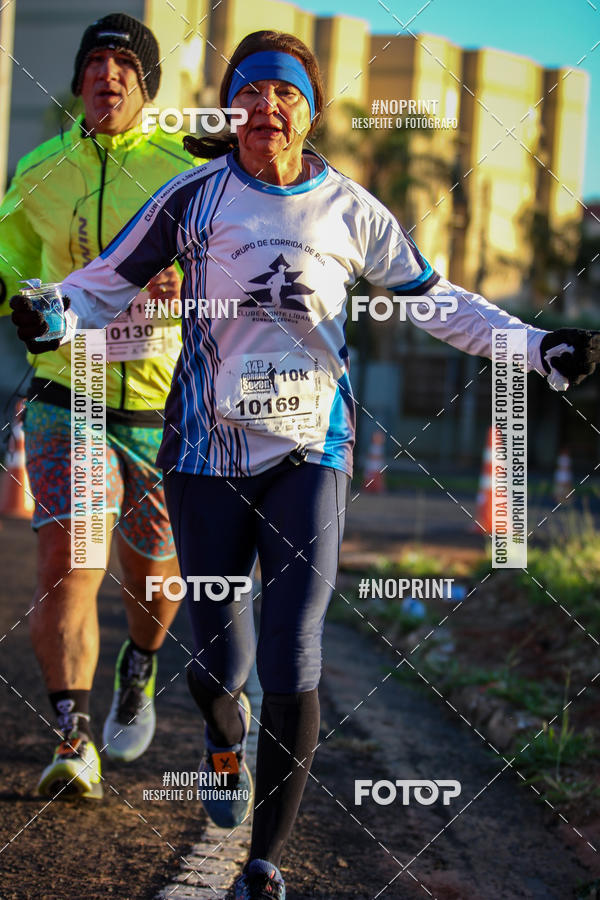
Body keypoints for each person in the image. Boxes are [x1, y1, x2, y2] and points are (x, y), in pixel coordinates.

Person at [10, 29, 600, 898]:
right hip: (206, 458)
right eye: (249, 92)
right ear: (230, 106)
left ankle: (264, 863)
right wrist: (53, 314)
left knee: (294, 649)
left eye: (284, 94)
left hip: (310, 456)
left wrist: (537, 346)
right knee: (219, 663)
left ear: (308, 109)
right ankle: (221, 742)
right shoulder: (192, 198)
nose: (266, 109)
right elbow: (105, 280)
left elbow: (438, 304)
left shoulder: (350, 210)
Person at [0, 13, 202, 800]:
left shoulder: (188, 166)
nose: (106, 75)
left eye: (124, 64)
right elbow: (8, 258)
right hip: (67, 394)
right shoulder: (42, 167)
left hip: (164, 405)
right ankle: (72, 736)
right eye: (95, 63)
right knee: (68, 563)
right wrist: (18, 299)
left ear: (144, 84)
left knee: (154, 584)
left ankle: (141, 660)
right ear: (80, 80)